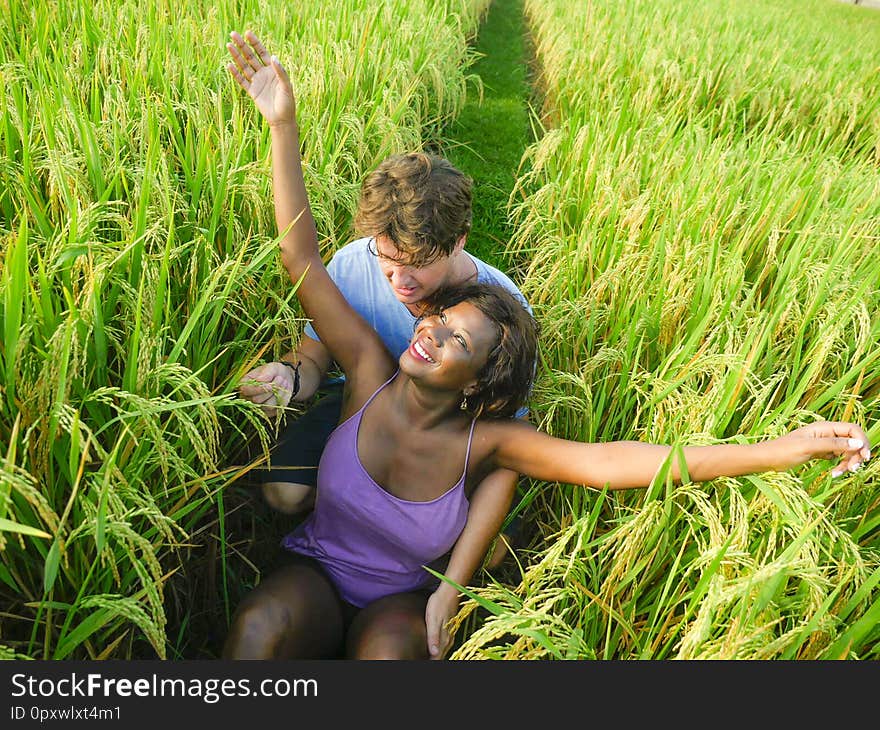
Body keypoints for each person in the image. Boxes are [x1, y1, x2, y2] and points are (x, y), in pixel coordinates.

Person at [222, 30, 871, 661]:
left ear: (477, 382)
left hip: (399, 595)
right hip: (319, 571)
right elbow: (296, 254)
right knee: (258, 624)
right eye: (434, 321)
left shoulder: (491, 439)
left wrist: (777, 452)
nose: (426, 328)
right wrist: (282, 125)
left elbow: (611, 464)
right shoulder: (366, 367)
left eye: (454, 340)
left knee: (392, 654)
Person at [236, 101, 530, 574]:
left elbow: (508, 436)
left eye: (416, 265)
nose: (399, 282)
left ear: (459, 241)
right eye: (387, 261)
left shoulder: (499, 309)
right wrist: (289, 376)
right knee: (283, 493)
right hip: (358, 409)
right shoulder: (354, 263)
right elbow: (315, 355)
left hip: (446, 437)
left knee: (489, 556)